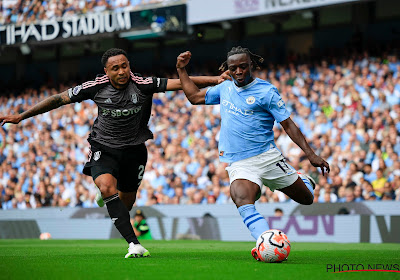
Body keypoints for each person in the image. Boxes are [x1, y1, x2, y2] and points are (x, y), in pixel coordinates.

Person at [0, 48, 228, 258]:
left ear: (129, 65)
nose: (122, 71)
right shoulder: (96, 86)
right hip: (104, 147)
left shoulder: (143, 83)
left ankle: (109, 197)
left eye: (125, 66)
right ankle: (133, 244)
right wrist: (21, 116)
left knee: (125, 204)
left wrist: (215, 80)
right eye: (115, 68)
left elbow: (181, 83)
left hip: (134, 150)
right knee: (108, 187)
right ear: (106, 71)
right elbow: (58, 99)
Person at [175, 47, 330, 261]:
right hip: (239, 162)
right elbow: (193, 97)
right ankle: (265, 243)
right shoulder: (225, 88)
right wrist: (182, 70)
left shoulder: (266, 92)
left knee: (306, 199)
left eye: (243, 66)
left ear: (252, 65)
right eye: (233, 68)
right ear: (227, 69)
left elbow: (289, 125)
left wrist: (311, 154)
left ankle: (304, 180)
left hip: (268, 158)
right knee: (240, 196)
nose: (238, 71)